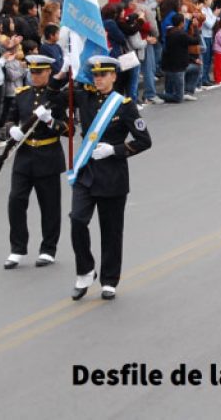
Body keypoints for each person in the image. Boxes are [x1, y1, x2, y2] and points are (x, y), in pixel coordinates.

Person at [67, 56, 152, 301]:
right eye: (95, 75)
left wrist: (115, 150)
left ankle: (109, 279)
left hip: (113, 175)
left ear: (114, 76)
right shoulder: (85, 97)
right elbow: (57, 94)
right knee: (77, 221)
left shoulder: (124, 105)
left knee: (111, 230)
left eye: (103, 75)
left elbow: (144, 141)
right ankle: (85, 271)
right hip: (87, 172)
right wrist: (65, 68)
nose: (98, 79)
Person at [3, 55, 68, 269]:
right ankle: (17, 248)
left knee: (49, 206)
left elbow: (69, 129)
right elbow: (11, 117)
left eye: (39, 72)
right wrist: (11, 129)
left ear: (49, 72)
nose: (34, 76)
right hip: (24, 156)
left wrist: (51, 121)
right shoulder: (22, 94)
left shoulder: (57, 97)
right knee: (16, 201)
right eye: (32, 72)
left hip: (48, 155)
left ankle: (48, 249)